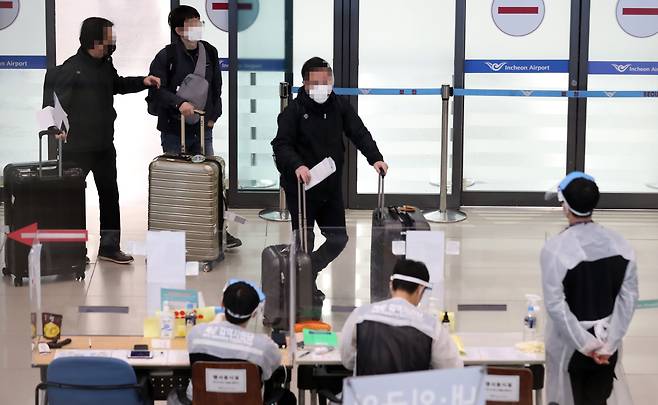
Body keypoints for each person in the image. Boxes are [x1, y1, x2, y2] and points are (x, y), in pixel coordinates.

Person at [43, 17, 160, 264]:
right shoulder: (70, 69)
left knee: (109, 195)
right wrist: (56, 130)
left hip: (104, 146)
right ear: (95, 42)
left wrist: (143, 81)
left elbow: (116, 84)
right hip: (76, 149)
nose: (112, 44)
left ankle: (109, 246)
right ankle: (73, 251)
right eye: (109, 39)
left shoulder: (106, 64)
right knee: (72, 200)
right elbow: (51, 108)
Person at [272, 57, 388, 303]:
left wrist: (375, 158)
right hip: (302, 189)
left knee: (338, 238)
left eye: (327, 81)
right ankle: (303, 287)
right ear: (305, 84)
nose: (323, 87)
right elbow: (281, 145)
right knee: (305, 239)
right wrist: (298, 165)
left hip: (330, 187)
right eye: (316, 83)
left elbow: (359, 132)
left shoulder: (339, 106)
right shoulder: (293, 112)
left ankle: (307, 269)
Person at [541, 172, 638, 405]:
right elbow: (629, 300)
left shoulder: (555, 249)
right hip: (606, 347)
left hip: (569, 347)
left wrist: (586, 344)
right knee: (598, 397)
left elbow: (555, 305)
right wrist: (609, 344)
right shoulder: (621, 245)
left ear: (566, 207)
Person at [148, 5, 241, 249]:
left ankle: (219, 231)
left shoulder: (209, 51)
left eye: (199, 21)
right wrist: (180, 103)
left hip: (202, 127)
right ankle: (175, 233)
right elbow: (158, 90)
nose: (198, 26)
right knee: (176, 181)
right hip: (173, 128)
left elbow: (216, 88)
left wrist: (213, 116)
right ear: (179, 30)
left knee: (212, 180)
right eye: (193, 22)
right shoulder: (165, 56)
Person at [168, 281, 295, 404]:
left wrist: (214, 323)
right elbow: (271, 369)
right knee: (287, 397)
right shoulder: (263, 347)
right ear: (255, 313)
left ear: (222, 304)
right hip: (249, 402)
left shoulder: (196, 335)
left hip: (201, 401)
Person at [340, 259, 463, 375]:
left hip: (365, 396)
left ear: (391, 284)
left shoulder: (361, 314)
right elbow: (453, 370)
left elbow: (347, 360)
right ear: (420, 290)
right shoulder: (431, 326)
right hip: (412, 396)